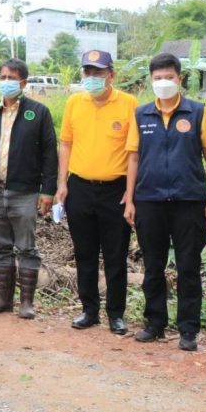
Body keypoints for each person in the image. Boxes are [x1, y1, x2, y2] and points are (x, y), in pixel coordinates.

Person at [123, 53, 206, 351]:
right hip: (149, 200)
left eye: (169, 77)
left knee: (188, 266)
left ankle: (188, 329)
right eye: (158, 78)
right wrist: (130, 198)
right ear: (150, 80)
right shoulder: (141, 114)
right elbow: (133, 157)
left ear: (179, 78)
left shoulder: (197, 112)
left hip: (188, 201)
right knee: (153, 266)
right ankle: (154, 323)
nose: (163, 82)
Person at [54, 50, 138, 334]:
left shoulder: (129, 104)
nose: (92, 77)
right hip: (80, 188)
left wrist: (130, 193)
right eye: (87, 72)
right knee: (84, 254)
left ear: (111, 75)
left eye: (98, 72)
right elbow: (66, 143)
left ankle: (116, 314)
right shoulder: (74, 102)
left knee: (115, 256)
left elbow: (134, 152)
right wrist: (62, 183)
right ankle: (89, 310)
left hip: (115, 190)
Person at [0, 59, 57, 319]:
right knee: (0, 247)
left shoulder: (38, 113)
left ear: (23, 83)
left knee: (27, 248)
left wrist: (48, 191)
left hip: (25, 193)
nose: (6, 82)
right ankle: (3, 300)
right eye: (3, 77)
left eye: (11, 78)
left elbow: (49, 155)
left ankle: (27, 303)